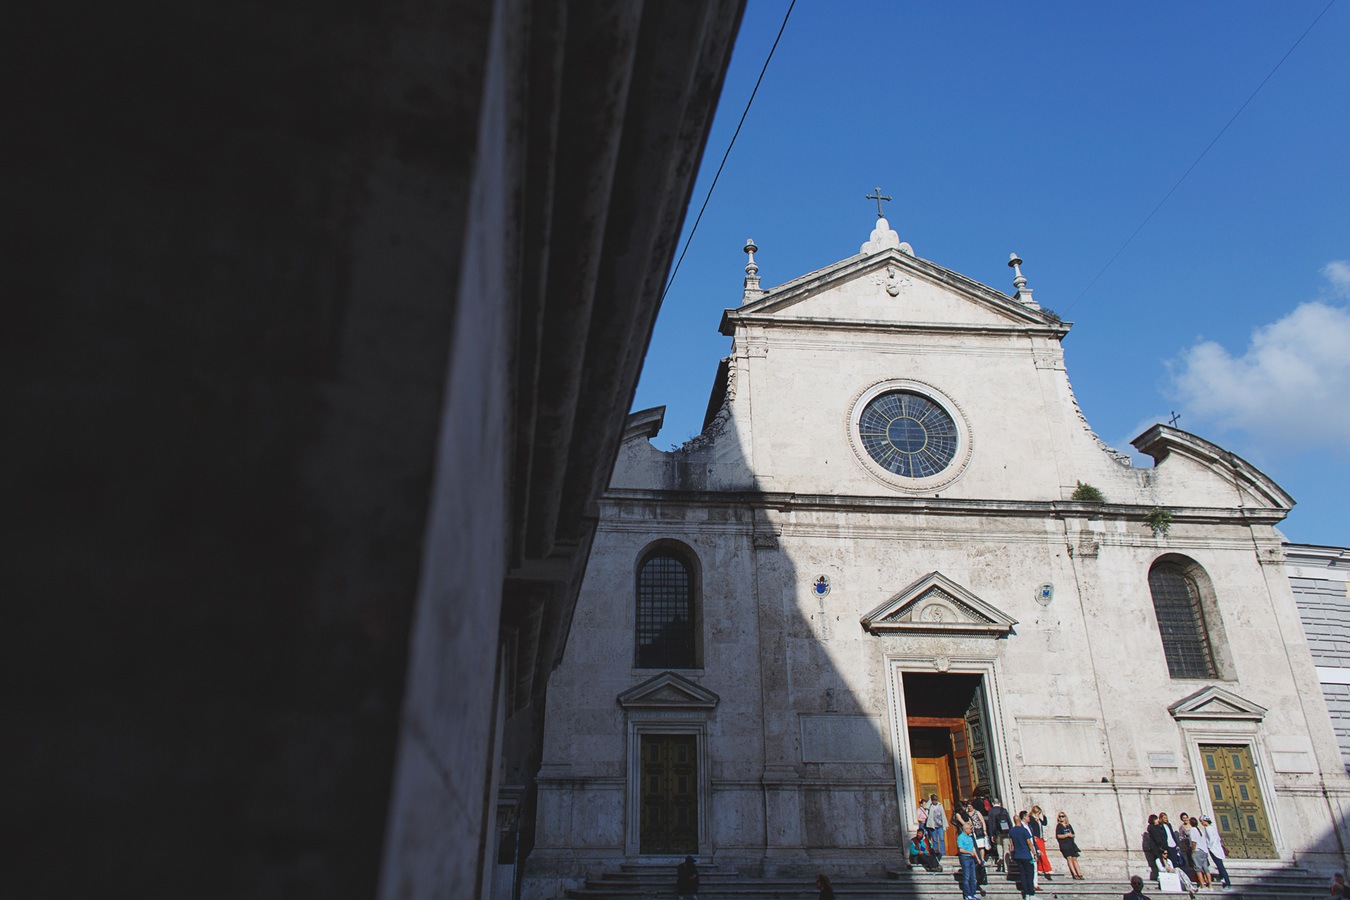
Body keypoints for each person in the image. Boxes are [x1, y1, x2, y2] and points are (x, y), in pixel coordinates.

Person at [1009, 811, 1036, 900]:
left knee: (1023, 874)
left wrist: (1012, 855)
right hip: (1026, 855)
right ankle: (1031, 893)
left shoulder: (1012, 831)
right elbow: (1029, 843)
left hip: (1018, 855)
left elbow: (1011, 845)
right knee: (1030, 874)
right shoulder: (1024, 830)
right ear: (1020, 820)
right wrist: (1034, 853)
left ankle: (1026, 894)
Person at [1200, 815, 1231, 888]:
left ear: (1205, 821)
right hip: (1218, 849)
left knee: (1220, 866)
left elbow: (1211, 840)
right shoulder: (1212, 827)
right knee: (1220, 865)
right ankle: (1221, 877)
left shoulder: (1208, 828)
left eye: (1201, 821)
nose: (1201, 823)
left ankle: (1227, 882)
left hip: (1214, 850)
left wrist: (1209, 847)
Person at [1055, 811, 1084, 880]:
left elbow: (1073, 834)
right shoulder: (1059, 826)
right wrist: (1066, 835)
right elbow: (1058, 835)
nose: (1061, 818)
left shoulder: (1068, 825)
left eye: (1063, 816)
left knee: (1074, 858)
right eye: (1060, 816)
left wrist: (1071, 835)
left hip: (1071, 843)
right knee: (1069, 858)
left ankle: (1079, 873)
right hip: (1064, 844)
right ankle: (1074, 874)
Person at [1028, 805, 1053, 882]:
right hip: (1036, 838)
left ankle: (1040, 868)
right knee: (1042, 853)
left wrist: (1044, 816)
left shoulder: (1038, 819)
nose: (1039, 814)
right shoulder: (1031, 819)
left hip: (1041, 838)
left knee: (1041, 853)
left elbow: (1044, 823)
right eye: (1038, 812)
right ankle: (1048, 868)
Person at [987, 797, 1012, 872]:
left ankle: (1000, 858)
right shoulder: (1004, 810)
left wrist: (991, 835)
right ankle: (1006, 867)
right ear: (999, 803)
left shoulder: (991, 811)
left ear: (992, 803)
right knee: (1006, 848)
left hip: (996, 832)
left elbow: (990, 824)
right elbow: (1009, 822)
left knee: (999, 845)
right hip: (1005, 832)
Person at [958, 819, 981, 900]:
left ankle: (973, 893)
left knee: (973, 877)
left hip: (971, 858)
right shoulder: (961, 837)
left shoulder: (970, 837)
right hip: (965, 858)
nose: (971, 830)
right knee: (967, 877)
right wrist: (969, 852)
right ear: (966, 829)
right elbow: (960, 849)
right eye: (970, 829)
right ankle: (967, 894)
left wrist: (977, 858)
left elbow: (973, 848)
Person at [1188, 817, 1211, 889]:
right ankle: (1210, 885)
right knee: (1206, 868)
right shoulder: (1200, 830)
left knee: (1198, 869)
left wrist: (1193, 850)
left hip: (1197, 851)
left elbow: (1193, 841)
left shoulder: (1192, 830)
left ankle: (1202, 885)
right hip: (1204, 851)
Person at [1143, 814, 1165, 882]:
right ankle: (1161, 874)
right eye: (1156, 819)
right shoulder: (1153, 828)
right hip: (1157, 847)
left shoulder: (1154, 827)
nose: (1157, 821)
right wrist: (1161, 845)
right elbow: (1157, 837)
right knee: (1159, 860)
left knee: (1158, 860)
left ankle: (1161, 874)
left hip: (1155, 847)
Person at [928, 793, 949, 858]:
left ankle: (943, 853)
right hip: (933, 826)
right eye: (933, 800)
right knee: (935, 840)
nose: (935, 801)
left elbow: (943, 815)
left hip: (940, 825)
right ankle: (936, 853)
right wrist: (929, 800)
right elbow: (926, 806)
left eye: (936, 800)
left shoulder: (940, 805)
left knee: (942, 839)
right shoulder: (930, 806)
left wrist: (946, 824)